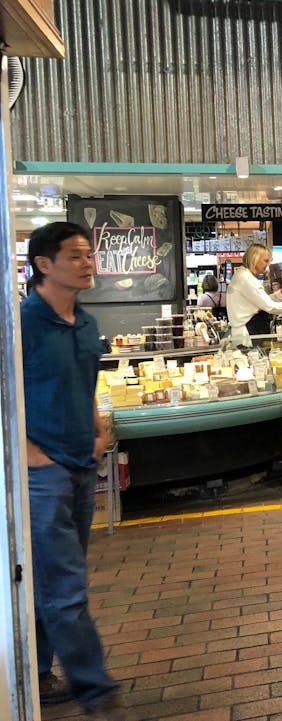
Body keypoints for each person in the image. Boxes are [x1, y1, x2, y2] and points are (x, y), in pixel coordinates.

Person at [21, 222, 124, 719]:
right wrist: (25, 450)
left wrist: (99, 427)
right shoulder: (20, 322)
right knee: (65, 590)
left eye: (90, 254)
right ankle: (97, 692)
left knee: (55, 581)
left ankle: (39, 672)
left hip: (83, 463)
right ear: (44, 264)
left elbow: (87, 382)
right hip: (43, 473)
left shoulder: (85, 322)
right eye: (77, 255)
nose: (89, 263)